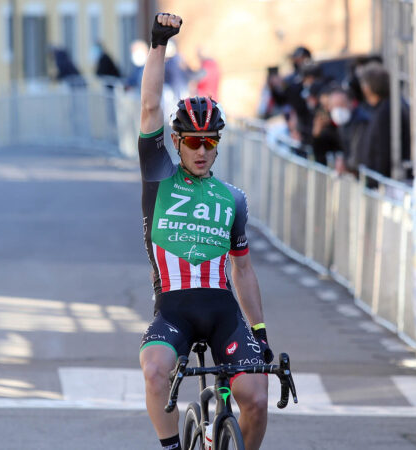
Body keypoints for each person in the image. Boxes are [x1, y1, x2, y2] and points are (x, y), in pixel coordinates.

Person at [138, 13, 273, 450]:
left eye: (210, 141)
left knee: (257, 400)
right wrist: (159, 45)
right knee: (155, 371)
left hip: (222, 312)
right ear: (177, 142)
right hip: (173, 311)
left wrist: (260, 331)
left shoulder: (232, 198)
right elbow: (149, 108)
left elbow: (243, 270)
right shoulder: (159, 178)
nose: (201, 150)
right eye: (193, 141)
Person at [358, 62, 411, 180]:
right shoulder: (384, 107)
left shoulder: (387, 111)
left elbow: (384, 151)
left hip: (384, 181)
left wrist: (376, 181)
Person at [328, 87, 371, 176]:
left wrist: (347, 165)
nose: (338, 109)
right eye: (334, 106)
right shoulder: (343, 124)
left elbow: (358, 153)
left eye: (341, 104)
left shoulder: (361, 122)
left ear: (351, 103)